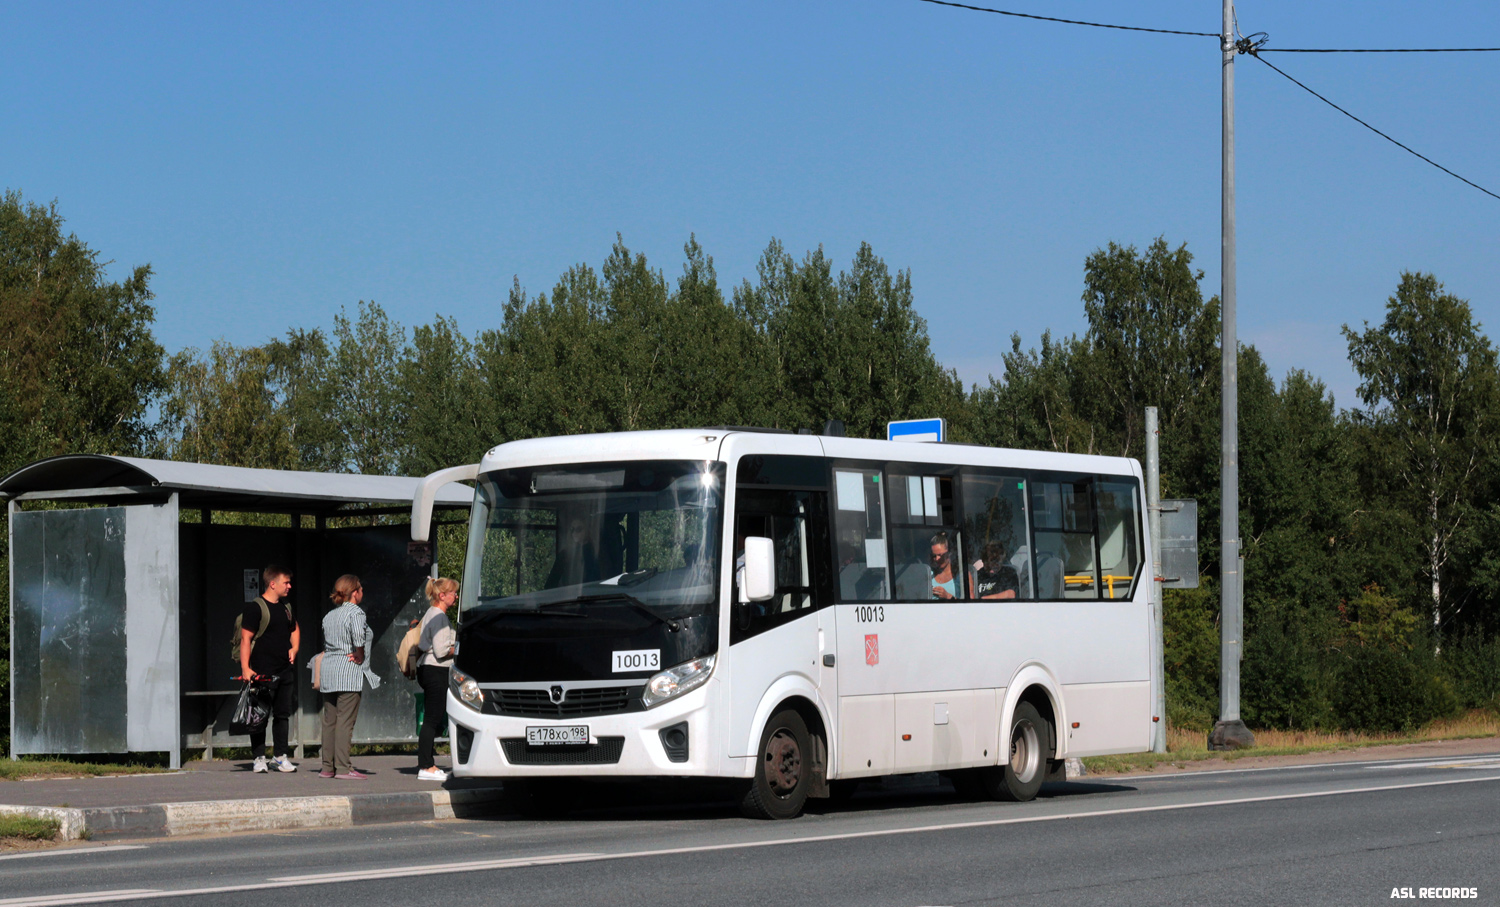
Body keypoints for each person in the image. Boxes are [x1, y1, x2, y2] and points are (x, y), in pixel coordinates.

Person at [315, 575, 381, 780]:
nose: (362, 592)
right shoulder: (356, 612)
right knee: (345, 721)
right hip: (348, 669)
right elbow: (357, 637)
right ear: (355, 592)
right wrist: (359, 653)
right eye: (360, 589)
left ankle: (327, 767)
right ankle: (343, 768)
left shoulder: (330, 615)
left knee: (329, 721)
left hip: (329, 670)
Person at [238, 564, 300, 773]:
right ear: (273, 584)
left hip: (284, 671)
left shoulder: (286, 608)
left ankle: (280, 756)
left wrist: (295, 648)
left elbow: (295, 627)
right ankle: (259, 758)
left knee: (282, 715)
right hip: (261, 671)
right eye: (286, 582)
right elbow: (245, 639)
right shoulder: (255, 608)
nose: (289, 586)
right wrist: (246, 668)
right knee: (259, 716)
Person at [416, 577, 459, 781]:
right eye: (453, 593)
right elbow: (442, 651)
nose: (456, 596)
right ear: (442, 595)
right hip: (436, 669)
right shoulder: (439, 616)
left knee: (432, 718)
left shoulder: (430, 614)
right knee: (432, 719)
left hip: (428, 668)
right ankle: (426, 766)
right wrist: (459, 648)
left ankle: (428, 763)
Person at [930, 532, 958, 600]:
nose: (937, 559)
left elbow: (971, 604)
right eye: (934, 556)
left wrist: (948, 597)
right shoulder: (929, 575)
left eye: (940, 555)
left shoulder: (961, 576)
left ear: (949, 553)